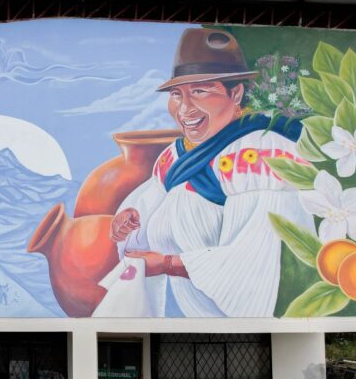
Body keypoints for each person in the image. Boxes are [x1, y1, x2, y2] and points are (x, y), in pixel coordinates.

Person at [107, 28, 314, 317]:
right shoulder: (175, 155)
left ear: (236, 93)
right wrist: (128, 224)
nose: (184, 109)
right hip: (178, 307)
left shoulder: (264, 152)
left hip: (228, 318)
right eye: (177, 95)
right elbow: (153, 213)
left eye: (200, 91)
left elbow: (255, 259)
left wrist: (168, 264)